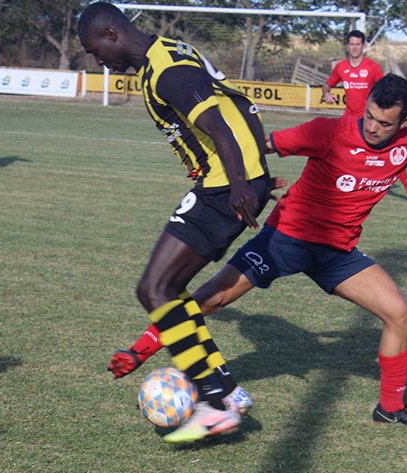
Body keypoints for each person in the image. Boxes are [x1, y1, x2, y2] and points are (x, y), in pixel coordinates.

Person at [110, 74, 407, 429]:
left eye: (385, 123)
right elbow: (262, 145)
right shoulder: (330, 131)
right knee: (215, 297)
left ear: (404, 122)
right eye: (370, 117)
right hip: (284, 241)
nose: (373, 128)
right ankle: (140, 348)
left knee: (401, 314)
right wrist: (239, 180)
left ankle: (391, 408)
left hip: (337, 254)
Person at [77, 2, 280, 443]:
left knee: (153, 289)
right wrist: (257, 174)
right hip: (230, 180)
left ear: (111, 34)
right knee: (170, 290)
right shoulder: (168, 52)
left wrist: (244, 182)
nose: (99, 62)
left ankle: (212, 402)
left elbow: (218, 122)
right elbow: (237, 107)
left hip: (225, 186)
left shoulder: (166, 68)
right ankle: (228, 393)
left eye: (95, 50)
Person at [323, 30, 407, 204]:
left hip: (369, 121)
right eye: (351, 44)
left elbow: (387, 90)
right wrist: (328, 94)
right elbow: (327, 85)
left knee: (390, 155)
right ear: (348, 46)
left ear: (364, 46)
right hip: (348, 121)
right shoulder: (341, 67)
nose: (354, 48)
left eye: (358, 44)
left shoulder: (372, 68)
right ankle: (335, 188)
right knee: (334, 151)